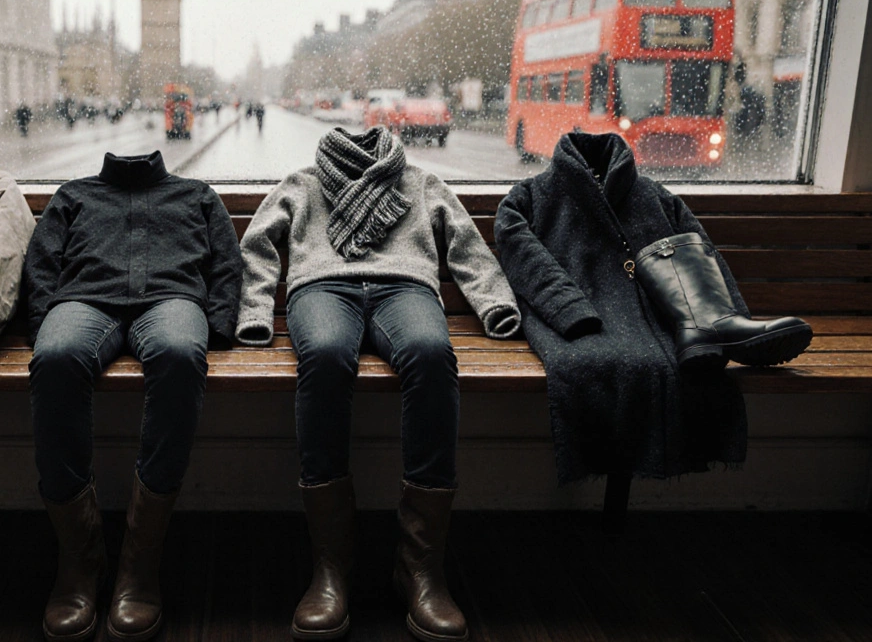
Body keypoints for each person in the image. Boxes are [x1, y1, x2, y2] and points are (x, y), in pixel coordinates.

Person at [237, 126, 521, 642]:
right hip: (320, 287)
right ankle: (332, 568)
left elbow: (465, 242)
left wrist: (494, 304)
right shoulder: (302, 183)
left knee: (433, 356)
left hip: (405, 288)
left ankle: (420, 569)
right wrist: (255, 311)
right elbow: (256, 244)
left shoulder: (419, 182)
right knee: (323, 356)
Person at [25, 150, 244, 642]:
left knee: (182, 353)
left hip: (173, 300)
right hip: (83, 300)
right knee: (55, 358)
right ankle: (79, 562)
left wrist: (218, 325)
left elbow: (228, 261)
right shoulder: (74, 194)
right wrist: (43, 324)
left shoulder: (196, 194)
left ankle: (139, 563)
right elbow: (41, 263)